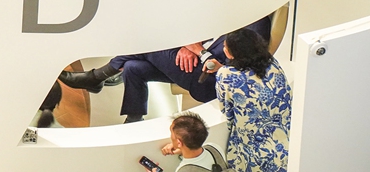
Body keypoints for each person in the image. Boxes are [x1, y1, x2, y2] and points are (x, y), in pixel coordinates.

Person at [59, 16, 273, 123]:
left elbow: (235, 69)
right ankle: (133, 120)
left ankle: (99, 76)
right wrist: (187, 45)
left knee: (149, 42)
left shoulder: (256, 26)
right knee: (134, 68)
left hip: (206, 79)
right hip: (194, 60)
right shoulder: (237, 10)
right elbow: (207, 30)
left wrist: (199, 52)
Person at [216, 28, 291, 172]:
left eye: (225, 46)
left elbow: (226, 110)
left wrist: (223, 70)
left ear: (232, 53)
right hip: (286, 139)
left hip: (255, 149)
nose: (223, 48)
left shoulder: (225, 75)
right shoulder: (272, 63)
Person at [159, 111, 227, 171]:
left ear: (179, 142)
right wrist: (181, 149)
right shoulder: (213, 147)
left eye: (171, 132)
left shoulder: (183, 170)